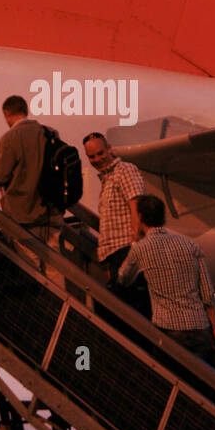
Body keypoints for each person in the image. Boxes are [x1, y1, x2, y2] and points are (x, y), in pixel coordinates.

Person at [117, 194, 215, 359]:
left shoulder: (141, 249)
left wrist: (134, 242)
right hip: (200, 327)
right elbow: (208, 295)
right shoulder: (191, 245)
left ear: (141, 217)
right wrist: (214, 329)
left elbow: (123, 278)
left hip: (169, 329)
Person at [0, 95, 63, 276]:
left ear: (7, 113)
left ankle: (44, 303)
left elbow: (0, 177)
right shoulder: (51, 133)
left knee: (31, 268)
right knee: (56, 268)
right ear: (25, 110)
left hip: (22, 215)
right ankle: (63, 304)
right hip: (50, 212)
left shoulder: (9, 138)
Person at [83, 132, 150, 313]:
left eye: (100, 153)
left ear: (109, 149)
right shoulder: (107, 179)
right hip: (116, 255)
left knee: (131, 309)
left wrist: (134, 247)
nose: (97, 159)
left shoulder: (124, 170)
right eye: (92, 156)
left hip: (127, 251)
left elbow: (136, 206)